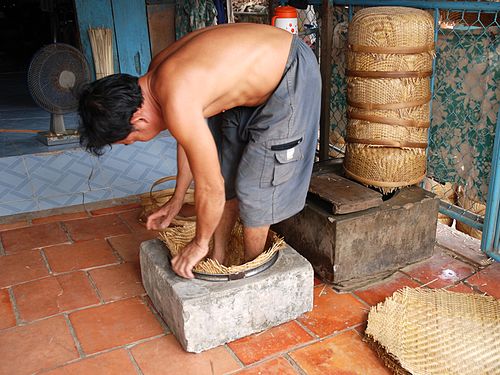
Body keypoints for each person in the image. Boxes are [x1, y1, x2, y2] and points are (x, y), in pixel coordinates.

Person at [78, 23, 321, 279]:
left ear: (138, 120)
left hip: (289, 71)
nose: (138, 141)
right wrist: (177, 199)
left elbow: (210, 187)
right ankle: (218, 258)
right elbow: (187, 142)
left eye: (133, 140)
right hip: (255, 82)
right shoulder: (155, 78)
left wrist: (198, 242)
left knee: (256, 189)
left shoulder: (176, 96)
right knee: (227, 172)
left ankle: (251, 274)